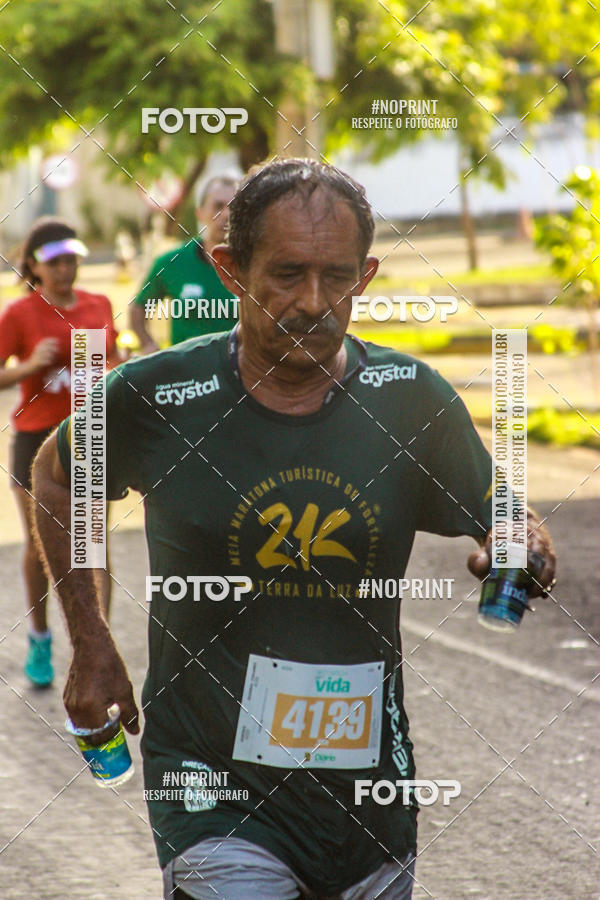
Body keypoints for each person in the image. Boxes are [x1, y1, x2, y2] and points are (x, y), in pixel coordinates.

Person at [32, 160, 556, 899]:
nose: (313, 301)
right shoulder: (158, 396)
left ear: (365, 277)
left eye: (337, 276)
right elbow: (59, 475)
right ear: (230, 270)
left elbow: (502, 512)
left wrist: (521, 542)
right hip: (210, 783)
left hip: (369, 797)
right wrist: (90, 641)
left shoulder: (410, 401)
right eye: (286, 274)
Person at [0, 217, 119, 687]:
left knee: (92, 542)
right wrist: (30, 364)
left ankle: (98, 647)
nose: (65, 269)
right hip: (35, 439)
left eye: (71, 260)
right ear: (34, 266)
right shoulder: (20, 314)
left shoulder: (98, 304)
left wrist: (116, 368)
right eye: (55, 263)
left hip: (88, 435)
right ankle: (40, 637)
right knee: (41, 547)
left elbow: (113, 360)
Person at [130, 174, 240, 352]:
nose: (227, 214)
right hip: (185, 368)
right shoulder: (172, 262)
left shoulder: (254, 263)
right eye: (218, 206)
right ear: (200, 213)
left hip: (237, 366)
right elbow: (138, 308)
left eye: (234, 207)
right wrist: (149, 346)